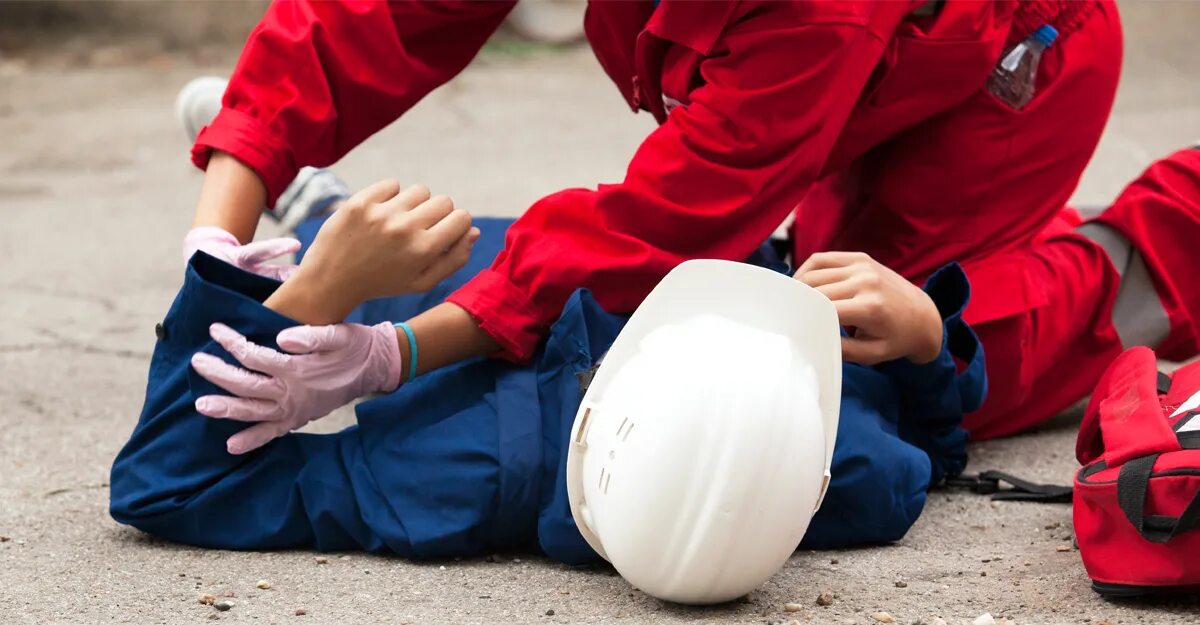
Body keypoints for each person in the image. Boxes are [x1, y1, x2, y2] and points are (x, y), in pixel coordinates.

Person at [178, 0, 1150, 442]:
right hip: (850, 70)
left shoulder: (818, 17)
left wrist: (394, 351)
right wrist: (221, 221)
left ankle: (1137, 259)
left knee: (889, 360)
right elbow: (372, 19)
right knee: (785, 280)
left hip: (1008, 71)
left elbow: (656, 228)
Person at [109, 177, 984, 558]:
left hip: (450, 295)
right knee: (493, 245)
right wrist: (925, 340)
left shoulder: (464, 476)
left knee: (394, 251)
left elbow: (164, 488)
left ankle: (308, 225)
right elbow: (939, 444)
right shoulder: (851, 468)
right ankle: (319, 212)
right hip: (545, 269)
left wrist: (304, 295)